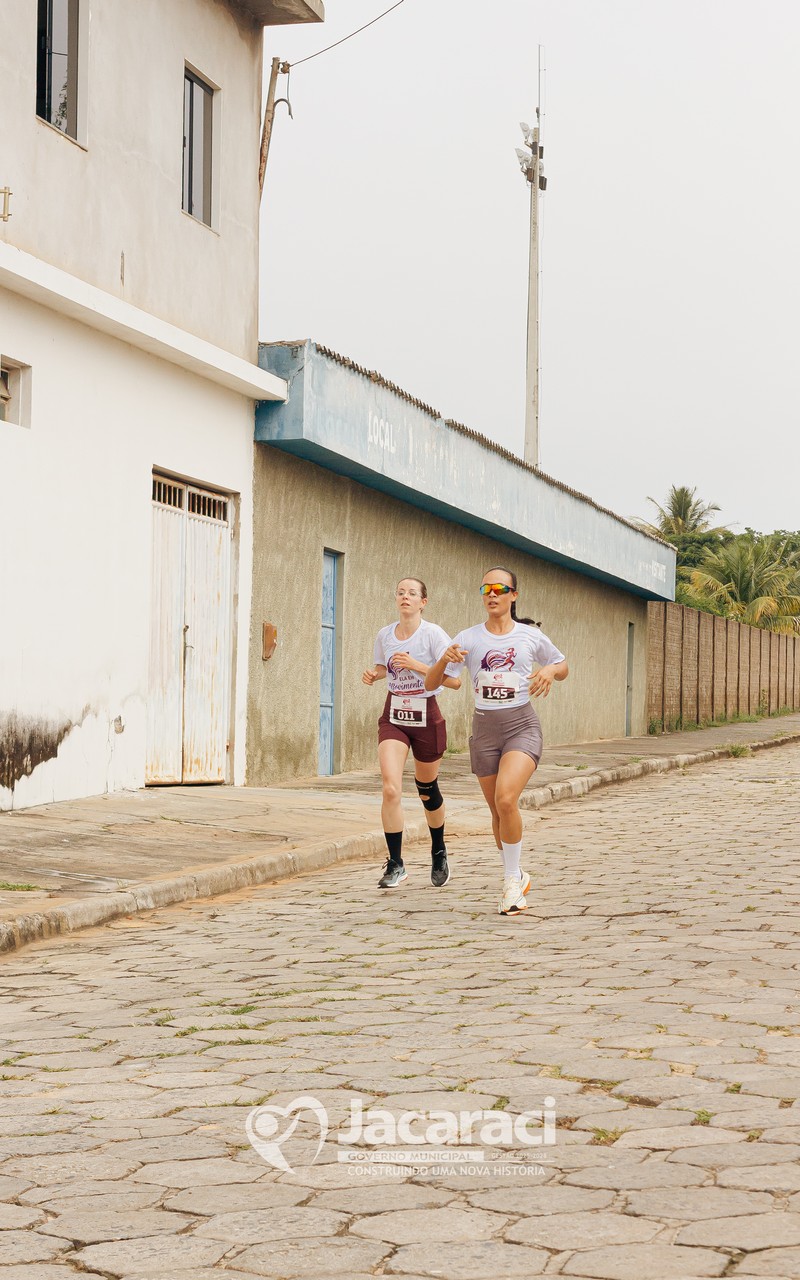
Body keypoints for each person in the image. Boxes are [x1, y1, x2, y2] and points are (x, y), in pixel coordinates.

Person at [425, 567, 568, 916]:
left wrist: (549, 670)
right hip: (485, 731)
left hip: (521, 726)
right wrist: (443, 659)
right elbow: (431, 684)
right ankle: (516, 873)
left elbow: (561, 664)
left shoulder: (529, 635)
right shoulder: (469, 638)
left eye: (500, 589)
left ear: (513, 595)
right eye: (486, 588)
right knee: (496, 811)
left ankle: (510, 884)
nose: (492, 594)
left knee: (506, 799)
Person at [363, 578, 461, 890]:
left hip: (426, 712)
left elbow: (454, 681)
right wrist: (375, 674)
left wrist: (417, 665)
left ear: (423, 602)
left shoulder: (433, 634)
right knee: (390, 788)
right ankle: (396, 863)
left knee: (427, 790)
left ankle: (438, 850)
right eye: (401, 592)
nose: (405, 597)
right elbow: (385, 668)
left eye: (412, 593)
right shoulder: (385, 635)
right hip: (394, 714)